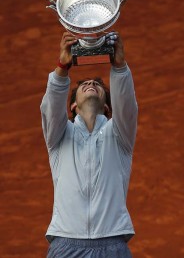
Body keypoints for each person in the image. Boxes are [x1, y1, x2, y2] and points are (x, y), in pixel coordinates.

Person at [40, 31, 138, 258]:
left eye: (97, 85)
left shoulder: (120, 135)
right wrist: (62, 68)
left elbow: (127, 106)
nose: (92, 83)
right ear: (73, 106)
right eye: (85, 84)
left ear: (106, 107)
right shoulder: (58, 136)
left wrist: (120, 67)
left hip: (113, 243)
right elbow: (50, 108)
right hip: (66, 243)